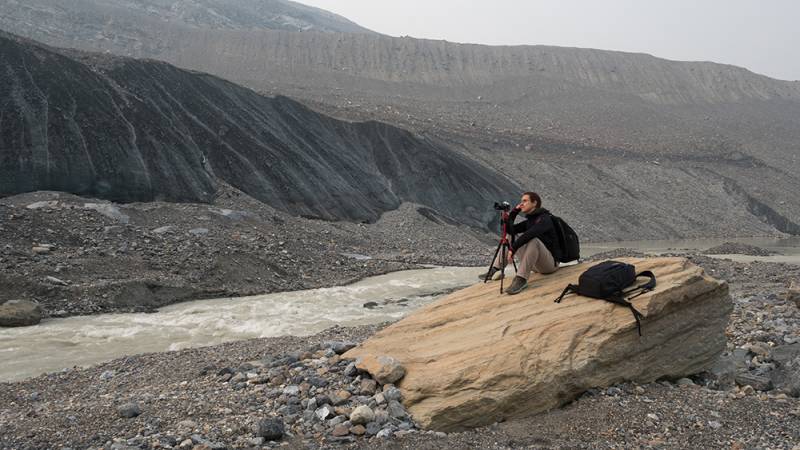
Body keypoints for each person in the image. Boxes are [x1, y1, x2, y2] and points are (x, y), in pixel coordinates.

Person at [480, 192, 560, 295]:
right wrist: (514, 212)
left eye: (525, 201)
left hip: (549, 265)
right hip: (535, 265)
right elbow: (509, 230)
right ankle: (495, 269)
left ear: (534, 203)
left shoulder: (545, 219)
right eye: (521, 201)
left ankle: (521, 279)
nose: (521, 203)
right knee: (509, 236)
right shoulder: (530, 221)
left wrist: (512, 249)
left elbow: (531, 234)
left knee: (533, 240)